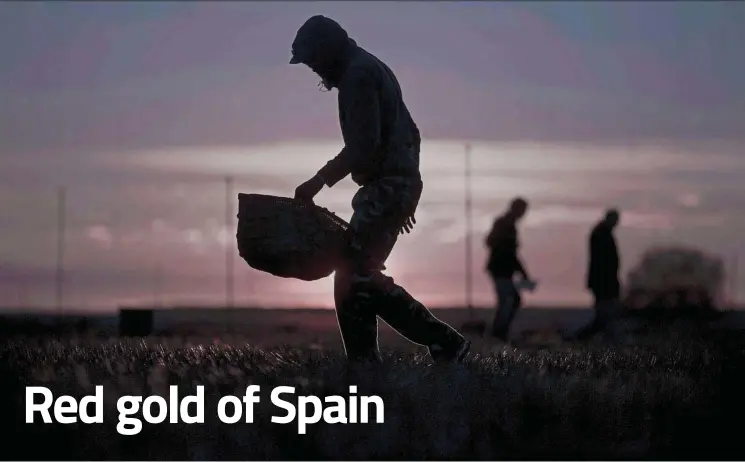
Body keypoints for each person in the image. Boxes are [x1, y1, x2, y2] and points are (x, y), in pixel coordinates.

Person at [289, 15, 470, 363]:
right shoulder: (370, 67)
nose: (313, 70)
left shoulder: (358, 76)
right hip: (392, 187)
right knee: (353, 276)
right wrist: (405, 190)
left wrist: (318, 181)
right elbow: (411, 132)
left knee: (356, 275)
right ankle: (366, 364)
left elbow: (363, 148)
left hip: (385, 188)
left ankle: (443, 341)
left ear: (328, 51)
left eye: (313, 62)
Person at [485, 197, 534, 342]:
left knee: (510, 300)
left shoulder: (507, 224)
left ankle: (499, 332)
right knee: (508, 300)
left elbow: (509, 251)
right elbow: (501, 247)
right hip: (500, 269)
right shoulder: (505, 224)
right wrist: (522, 272)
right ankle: (498, 333)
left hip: (503, 269)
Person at [574, 208, 622, 341]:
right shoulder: (601, 234)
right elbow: (603, 260)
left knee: (604, 314)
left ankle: (586, 337)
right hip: (603, 281)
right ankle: (584, 337)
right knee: (604, 313)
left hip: (604, 280)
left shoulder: (602, 233)